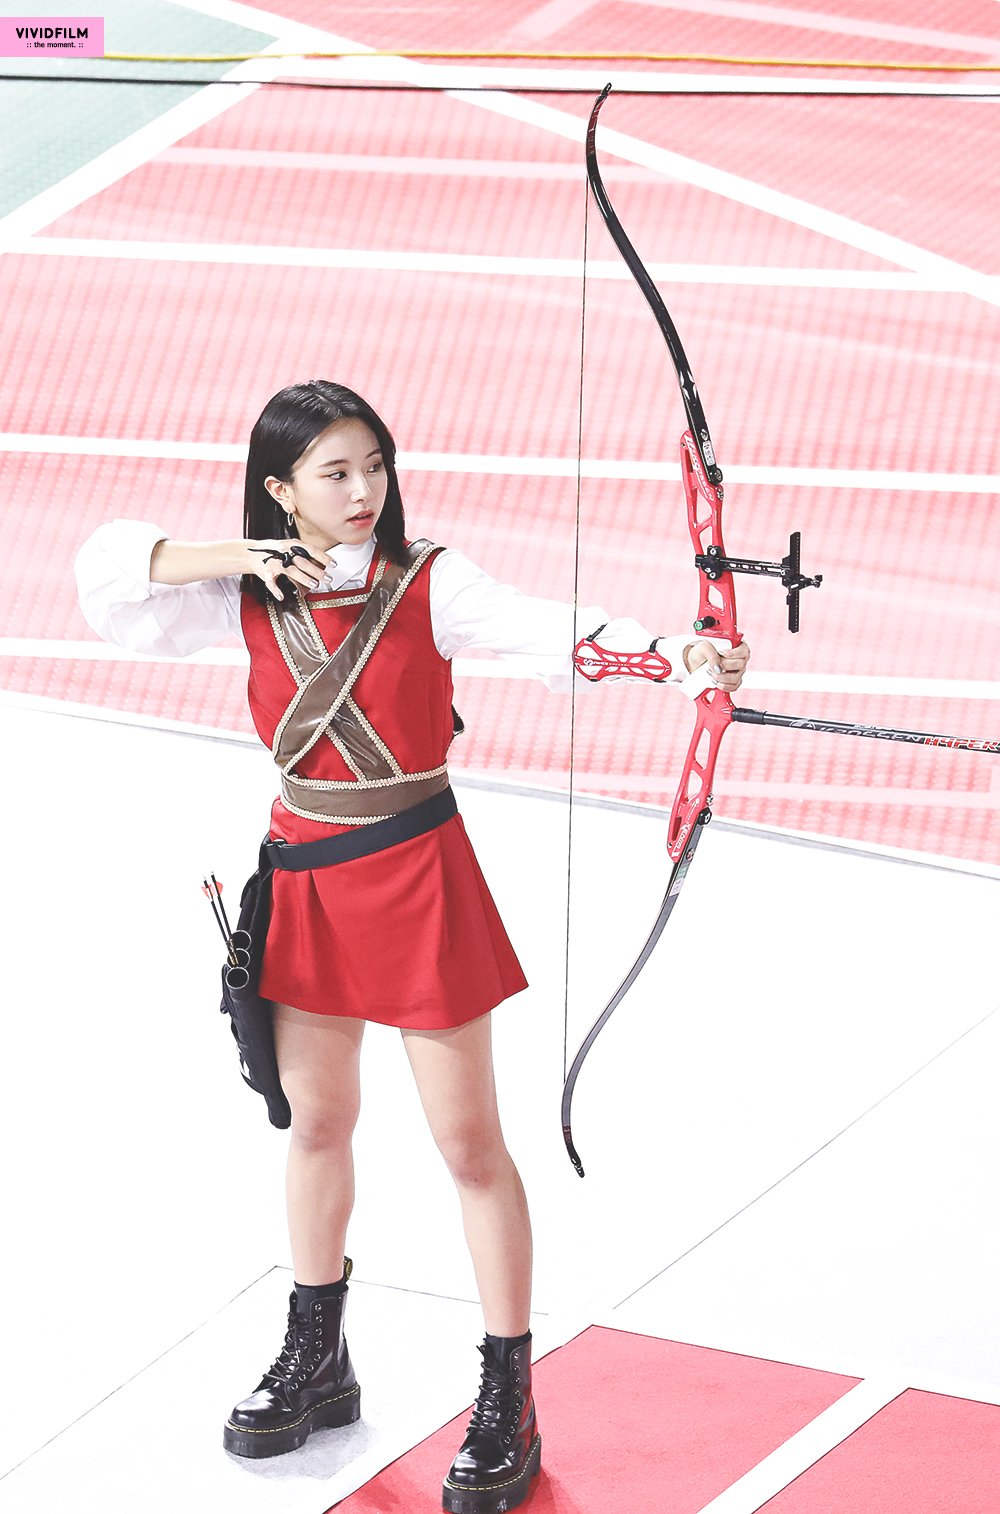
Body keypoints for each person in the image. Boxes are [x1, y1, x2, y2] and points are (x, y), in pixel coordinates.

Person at [75, 379, 749, 1513]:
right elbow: (107, 576)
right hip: (305, 877)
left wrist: (682, 656)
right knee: (318, 1123)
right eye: (333, 473)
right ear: (281, 488)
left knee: (469, 1142)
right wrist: (242, 556)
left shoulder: (431, 580)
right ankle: (318, 1356)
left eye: (373, 467)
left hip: (416, 872)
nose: (362, 491)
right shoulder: (244, 590)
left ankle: (507, 1395)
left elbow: (556, 631)